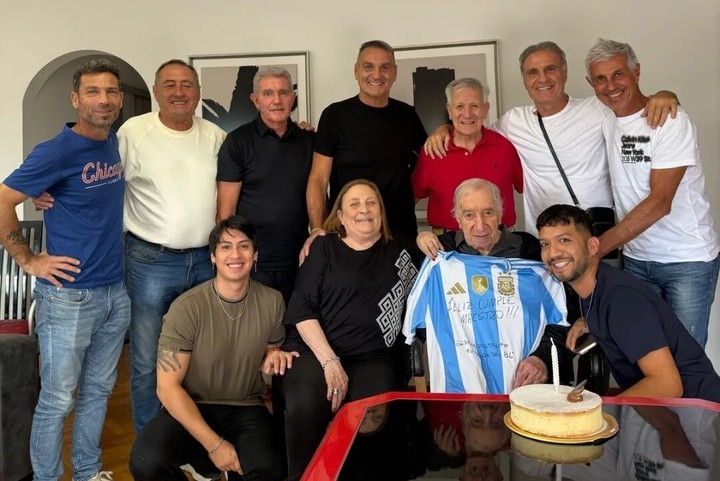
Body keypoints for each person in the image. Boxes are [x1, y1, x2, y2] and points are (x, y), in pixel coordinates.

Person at [0, 59, 129, 481]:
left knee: (97, 392)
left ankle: (89, 471)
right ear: (76, 99)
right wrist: (27, 259)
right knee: (57, 399)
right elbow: (2, 200)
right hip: (68, 296)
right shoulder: (55, 151)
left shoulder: (115, 143)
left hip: (115, 290)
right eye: (93, 91)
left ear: (120, 99)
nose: (103, 100)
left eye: (110, 91)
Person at [424, 41, 679, 236]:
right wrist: (443, 130)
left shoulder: (598, 109)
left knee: (600, 305)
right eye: (533, 72)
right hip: (544, 240)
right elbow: (471, 126)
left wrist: (665, 94)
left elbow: (632, 104)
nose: (542, 78)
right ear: (525, 80)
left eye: (550, 69)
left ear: (565, 73)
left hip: (595, 234)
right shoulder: (514, 122)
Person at [129, 216, 292, 481]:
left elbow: (269, 358)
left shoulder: (273, 302)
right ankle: (206, 465)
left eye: (244, 246)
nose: (235, 254)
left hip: (246, 407)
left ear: (255, 254)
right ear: (213, 257)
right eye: (226, 247)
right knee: (146, 462)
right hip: (194, 404)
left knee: (269, 469)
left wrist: (273, 358)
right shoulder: (187, 307)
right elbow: (166, 387)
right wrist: (215, 445)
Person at [279, 179, 421, 481]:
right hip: (314, 352)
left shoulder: (402, 248)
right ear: (340, 216)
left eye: (371, 203)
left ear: (381, 211)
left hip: (372, 357)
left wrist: (428, 242)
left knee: (374, 418)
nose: (364, 210)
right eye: (354, 204)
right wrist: (330, 362)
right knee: (306, 406)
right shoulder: (322, 248)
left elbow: (437, 273)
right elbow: (302, 310)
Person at [584, 38, 719, 348]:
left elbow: (660, 202)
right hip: (636, 260)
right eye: (600, 79)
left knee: (685, 356)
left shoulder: (670, 120)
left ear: (637, 71)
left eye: (618, 74)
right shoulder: (606, 120)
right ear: (591, 83)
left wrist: (597, 248)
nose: (611, 85)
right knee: (645, 353)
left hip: (686, 261)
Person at [121, 60, 226, 433]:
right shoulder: (133, 132)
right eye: (169, 85)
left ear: (198, 92)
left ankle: (195, 442)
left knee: (202, 360)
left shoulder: (214, 135)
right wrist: (57, 189)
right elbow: (98, 180)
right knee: (150, 360)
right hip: (150, 260)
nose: (178, 92)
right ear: (155, 91)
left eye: (186, 84)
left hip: (205, 262)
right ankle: (152, 452)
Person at [537, 204, 720, 402]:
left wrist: (602, 413)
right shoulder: (597, 291)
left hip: (698, 414)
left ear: (592, 246)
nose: (553, 253)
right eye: (545, 244)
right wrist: (589, 320)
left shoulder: (622, 299)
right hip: (666, 415)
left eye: (564, 240)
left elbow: (668, 385)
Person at [413, 178, 574, 388]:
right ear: (458, 219)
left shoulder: (532, 252)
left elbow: (563, 314)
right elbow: (427, 325)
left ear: (500, 213)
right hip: (465, 384)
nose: (480, 225)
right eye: (469, 215)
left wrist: (541, 358)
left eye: (488, 212)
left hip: (526, 380)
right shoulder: (442, 255)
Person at [304, 40, 427, 256]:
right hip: (347, 236)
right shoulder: (335, 116)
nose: (377, 74)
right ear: (356, 70)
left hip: (400, 234)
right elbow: (318, 180)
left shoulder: (407, 116)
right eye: (369, 66)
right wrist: (317, 228)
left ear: (395, 72)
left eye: (385, 67)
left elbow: (430, 164)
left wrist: (445, 129)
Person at [216, 66, 314, 304]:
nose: (277, 100)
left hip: (301, 257)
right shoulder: (238, 141)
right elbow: (225, 213)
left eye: (283, 92)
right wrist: (229, 259)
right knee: (255, 334)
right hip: (254, 261)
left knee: (296, 331)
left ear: (293, 98)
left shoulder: (310, 141)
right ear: (255, 100)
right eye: (268, 93)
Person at [412, 78, 522, 231]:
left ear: (485, 109)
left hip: (499, 243)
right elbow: (414, 196)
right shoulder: (433, 151)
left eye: (475, 106)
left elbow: (529, 186)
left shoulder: (505, 147)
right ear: (450, 111)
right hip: (447, 245)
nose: (467, 114)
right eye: (459, 106)